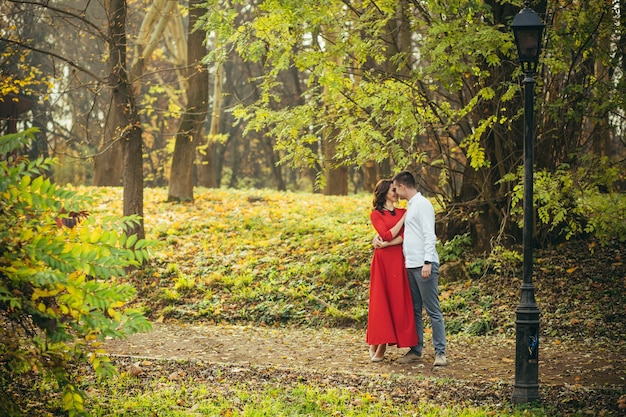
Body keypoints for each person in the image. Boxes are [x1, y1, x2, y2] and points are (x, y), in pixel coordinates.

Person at [389, 170, 447, 366]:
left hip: (424, 266)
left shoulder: (422, 205)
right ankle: (416, 350)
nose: (395, 193)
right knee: (415, 310)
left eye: (396, 188)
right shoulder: (411, 207)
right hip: (410, 265)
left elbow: (430, 235)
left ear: (403, 186)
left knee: (433, 310)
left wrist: (428, 262)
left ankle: (440, 353)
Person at [366, 179, 418, 362]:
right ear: (384, 193)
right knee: (381, 300)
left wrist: (387, 242)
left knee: (396, 301)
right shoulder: (376, 214)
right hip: (382, 262)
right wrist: (400, 223)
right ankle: (377, 341)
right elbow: (387, 234)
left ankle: (382, 344)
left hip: (398, 259)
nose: (396, 193)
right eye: (392, 190)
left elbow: (405, 236)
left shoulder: (405, 212)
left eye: (396, 190)